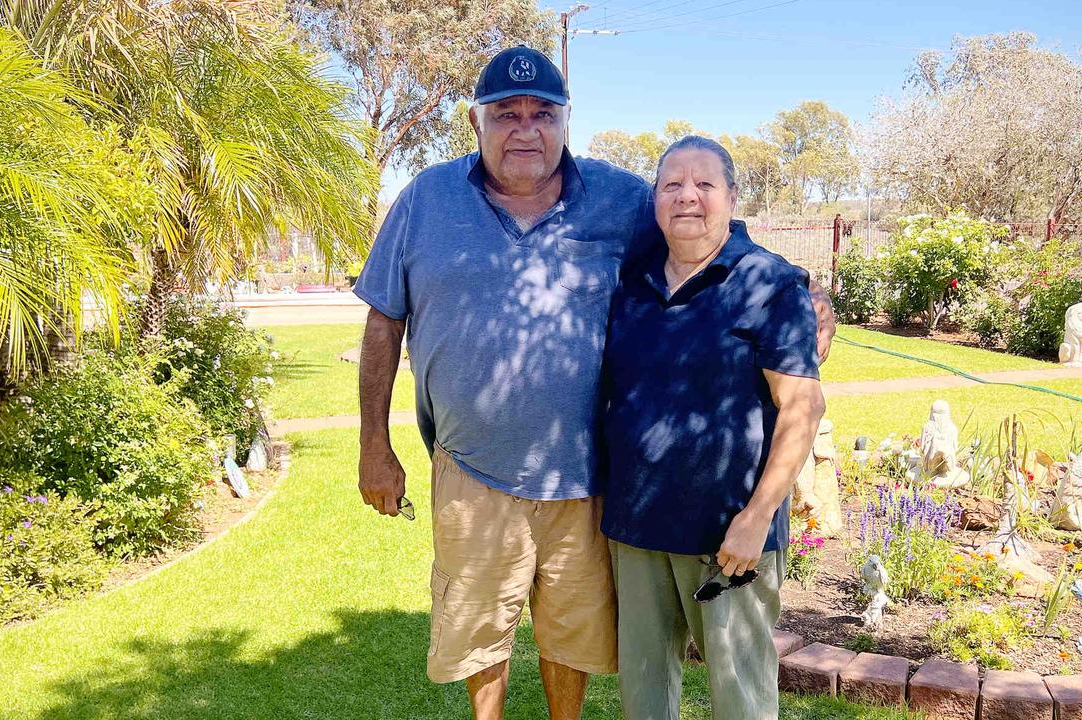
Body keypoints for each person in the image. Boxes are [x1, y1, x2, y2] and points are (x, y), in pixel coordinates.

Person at [353, 46, 836, 720]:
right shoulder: (424, 200)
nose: (526, 129)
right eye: (507, 114)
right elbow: (383, 320)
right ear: (476, 123)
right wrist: (373, 444)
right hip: (470, 465)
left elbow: (699, 219)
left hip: (585, 476)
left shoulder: (616, 198)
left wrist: (798, 289)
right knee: (477, 633)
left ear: (565, 121)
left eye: (543, 113)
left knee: (572, 633)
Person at [600, 135, 827, 720]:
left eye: (704, 184)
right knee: (644, 700)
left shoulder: (769, 284)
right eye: (672, 184)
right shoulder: (629, 284)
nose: (688, 197)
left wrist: (757, 518)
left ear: (731, 195)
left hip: (729, 538)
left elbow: (803, 408)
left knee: (741, 701)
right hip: (638, 529)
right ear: (655, 200)